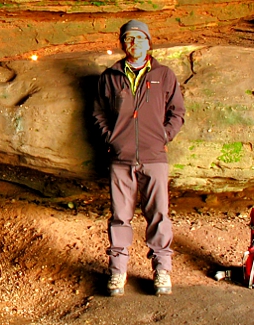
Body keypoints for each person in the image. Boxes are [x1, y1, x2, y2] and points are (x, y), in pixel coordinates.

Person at [91, 20, 186, 296]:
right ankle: (118, 272)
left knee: (158, 215)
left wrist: (164, 136)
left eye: (139, 39)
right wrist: (112, 139)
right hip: (120, 159)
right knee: (120, 217)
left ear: (149, 42)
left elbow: (177, 112)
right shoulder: (109, 77)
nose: (134, 44)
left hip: (154, 157)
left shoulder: (164, 75)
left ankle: (162, 272)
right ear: (123, 43)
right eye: (129, 39)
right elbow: (98, 113)